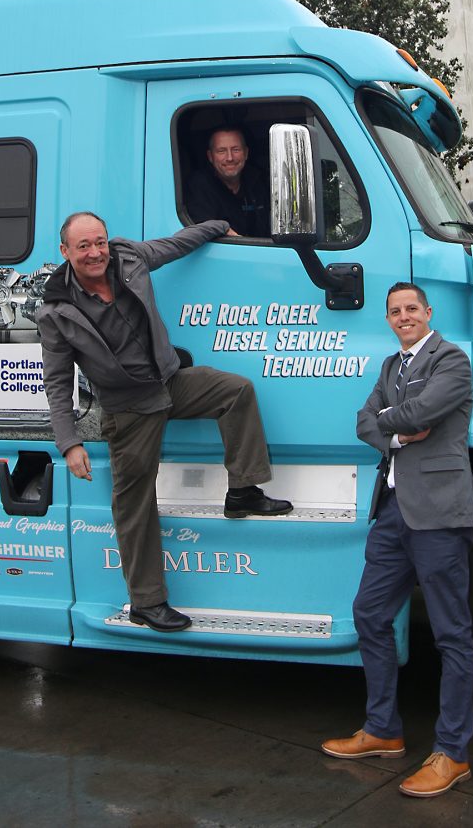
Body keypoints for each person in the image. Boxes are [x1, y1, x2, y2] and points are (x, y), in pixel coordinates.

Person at [38, 211, 292, 633]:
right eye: (83, 246)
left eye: (99, 241)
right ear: (64, 252)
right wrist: (69, 443)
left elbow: (177, 243)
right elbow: (58, 382)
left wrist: (217, 225)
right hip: (130, 409)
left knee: (236, 390)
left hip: (169, 384)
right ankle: (147, 603)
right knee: (134, 505)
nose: (96, 252)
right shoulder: (57, 312)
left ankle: (243, 490)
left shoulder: (129, 258)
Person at [321, 282, 473, 799]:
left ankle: (453, 753)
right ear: (388, 319)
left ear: (428, 313)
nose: (403, 316)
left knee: (451, 634)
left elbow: (418, 413)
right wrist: (392, 429)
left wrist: (393, 419)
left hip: (437, 514)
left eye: (412, 308)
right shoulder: (391, 367)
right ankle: (383, 728)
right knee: (369, 613)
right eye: (395, 311)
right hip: (391, 513)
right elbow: (365, 421)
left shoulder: (451, 360)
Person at [184, 127, 270, 237]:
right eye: (221, 151)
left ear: (246, 153)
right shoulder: (198, 185)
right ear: (210, 157)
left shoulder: (260, 180)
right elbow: (202, 229)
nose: (229, 158)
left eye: (236, 150)